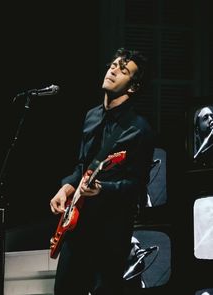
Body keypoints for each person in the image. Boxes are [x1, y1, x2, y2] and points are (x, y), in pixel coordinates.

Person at [50, 47, 155, 295]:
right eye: (113, 64)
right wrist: (66, 187)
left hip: (110, 233)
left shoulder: (139, 129)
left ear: (133, 87)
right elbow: (82, 166)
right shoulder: (91, 117)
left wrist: (102, 189)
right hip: (77, 225)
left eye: (123, 69)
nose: (114, 69)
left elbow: (137, 185)